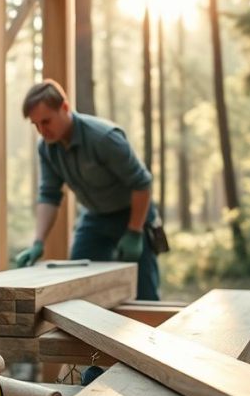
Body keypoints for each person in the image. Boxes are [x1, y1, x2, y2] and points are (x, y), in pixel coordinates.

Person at [15, 79, 160, 300]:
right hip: (95, 218)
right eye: (36, 125)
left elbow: (142, 183)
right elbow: (49, 195)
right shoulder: (47, 149)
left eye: (46, 121)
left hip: (132, 215)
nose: (42, 130)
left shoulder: (104, 138)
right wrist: (38, 242)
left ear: (64, 108)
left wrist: (134, 231)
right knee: (78, 286)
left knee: (144, 292)